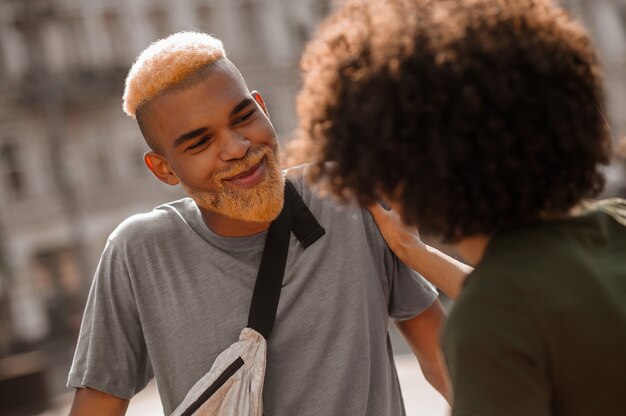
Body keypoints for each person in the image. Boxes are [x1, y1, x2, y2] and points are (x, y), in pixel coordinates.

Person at [66, 31, 457, 416]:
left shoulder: (349, 196)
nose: (238, 147)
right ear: (164, 168)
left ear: (262, 107)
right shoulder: (139, 253)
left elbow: (449, 368)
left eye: (243, 117)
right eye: (200, 142)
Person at [296, 0, 626, 415]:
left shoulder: (490, 321)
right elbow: (546, 299)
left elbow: (514, 306)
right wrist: (417, 255)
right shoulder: (614, 224)